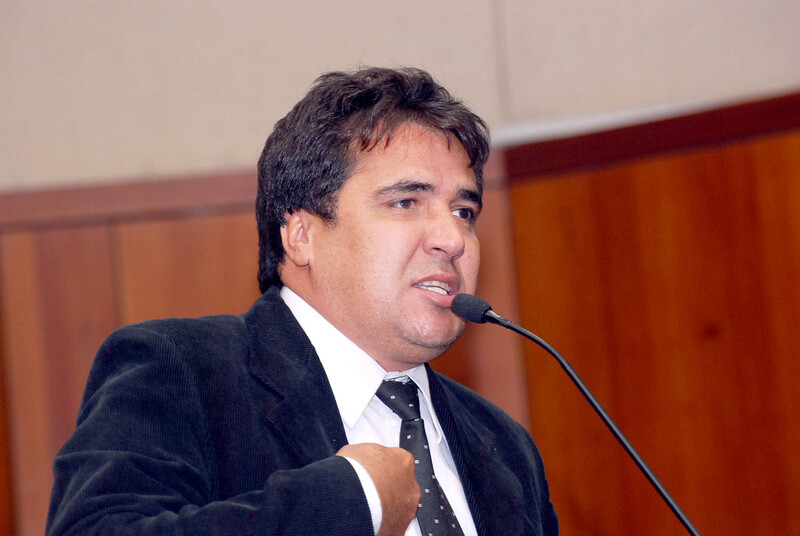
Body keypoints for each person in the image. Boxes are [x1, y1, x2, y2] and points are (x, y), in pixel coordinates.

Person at [46, 67, 559, 536]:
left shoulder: (503, 445)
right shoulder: (180, 371)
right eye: (405, 202)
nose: (452, 238)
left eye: (464, 211)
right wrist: (355, 498)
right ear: (301, 236)